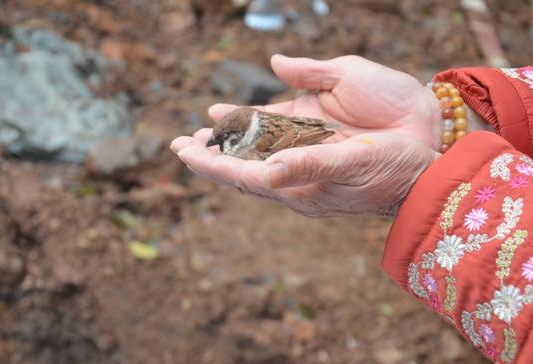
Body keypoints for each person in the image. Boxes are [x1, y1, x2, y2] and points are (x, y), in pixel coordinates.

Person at [171, 54, 533, 363]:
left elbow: (298, 132)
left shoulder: (262, 137)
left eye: (228, 140)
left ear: (243, 136)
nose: (222, 145)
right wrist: (448, 119)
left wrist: (417, 182)